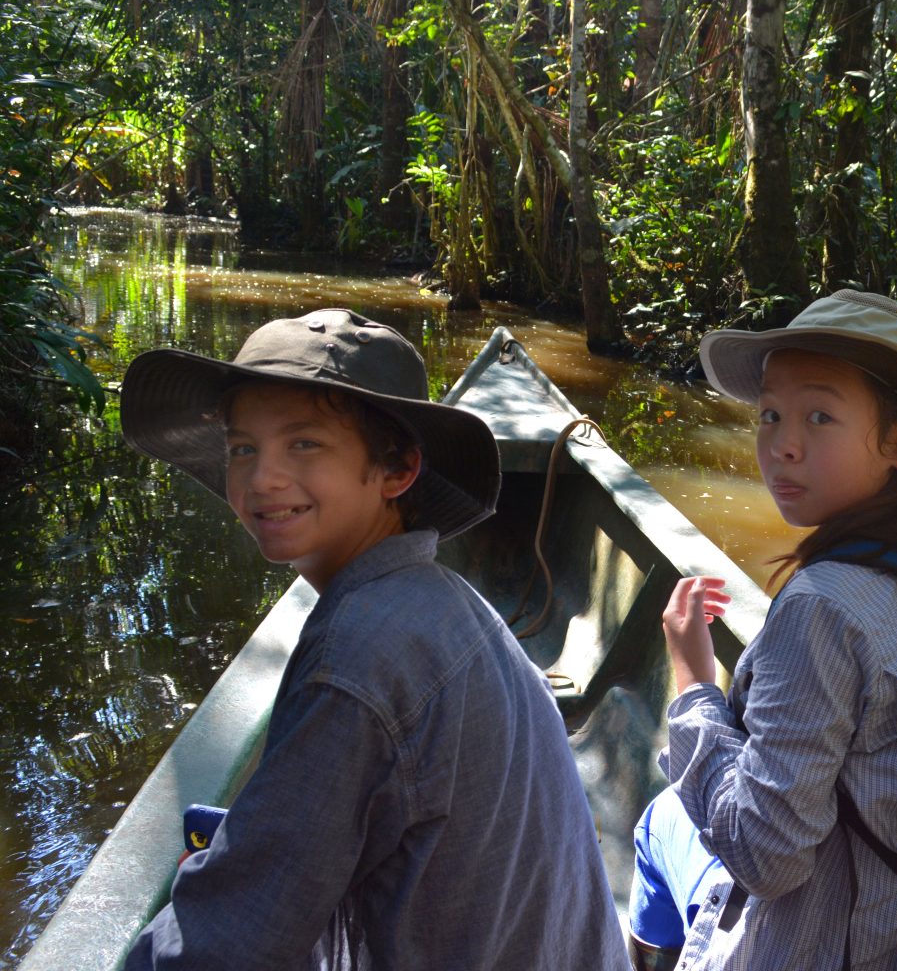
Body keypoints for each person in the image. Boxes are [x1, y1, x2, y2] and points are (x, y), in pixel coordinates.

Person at [118, 309, 629, 970]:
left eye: (304, 444)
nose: (261, 478)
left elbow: (230, 946)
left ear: (397, 471)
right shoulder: (440, 598)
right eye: (243, 447)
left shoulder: (357, 654)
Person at [627, 289, 897, 971]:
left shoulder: (823, 605)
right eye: (770, 414)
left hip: (829, 946)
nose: (782, 445)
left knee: (657, 822)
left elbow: (766, 855)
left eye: (819, 416)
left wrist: (691, 688)